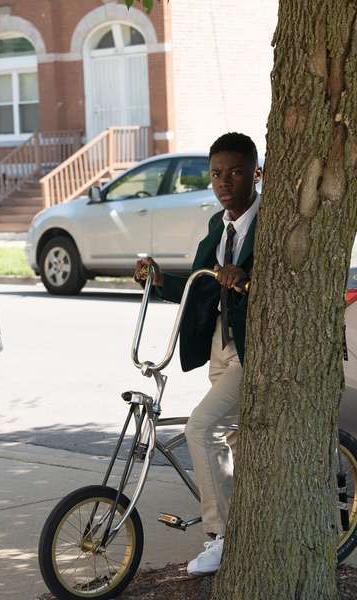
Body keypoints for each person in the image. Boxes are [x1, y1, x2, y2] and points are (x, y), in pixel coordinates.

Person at [134, 132, 261, 576]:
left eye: (236, 172)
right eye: (216, 174)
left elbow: (287, 290)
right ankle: (249, 527)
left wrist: (246, 277)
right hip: (220, 348)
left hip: (255, 352)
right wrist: (157, 279)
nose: (224, 182)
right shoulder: (217, 227)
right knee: (234, 439)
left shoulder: (271, 223)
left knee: (202, 427)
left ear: (256, 174)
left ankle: (220, 536)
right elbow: (200, 287)